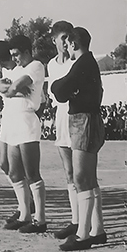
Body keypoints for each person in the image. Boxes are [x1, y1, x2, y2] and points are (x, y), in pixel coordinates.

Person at [51, 27, 107, 251]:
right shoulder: (89, 63)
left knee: (81, 178)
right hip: (89, 119)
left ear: (73, 45)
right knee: (89, 179)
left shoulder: (81, 64)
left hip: (83, 121)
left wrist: (66, 89)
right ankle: (97, 230)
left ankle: (83, 234)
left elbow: (60, 90)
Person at [0, 35, 48, 233]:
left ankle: (40, 220)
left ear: (27, 51)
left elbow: (14, 87)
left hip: (26, 120)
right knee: (14, 172)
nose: (15, 58)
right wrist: (12, 88)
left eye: (17, 54)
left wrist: (13, 89)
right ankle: (25, 214)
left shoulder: (36, 66)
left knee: (32, 173)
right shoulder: (16, 69)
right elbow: (0, 86)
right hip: (11, 121)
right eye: (12, 55)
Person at [47, 21, 78, 239]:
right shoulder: (51, 64)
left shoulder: (78, 60)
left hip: (77, 117)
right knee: (69, 172)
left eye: (69, 38)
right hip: (61, 119)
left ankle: (88, 223)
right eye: (63, 38)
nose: (66, 42)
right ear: (54, 40)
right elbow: (52, 94)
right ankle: (76, 220)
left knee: (83, 174)